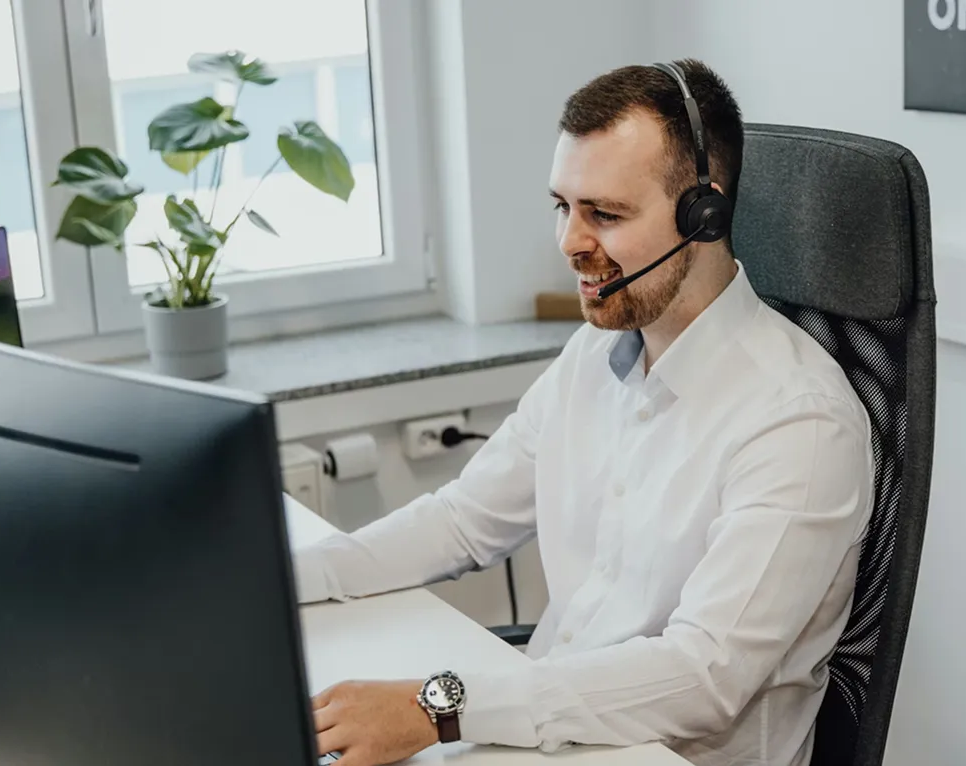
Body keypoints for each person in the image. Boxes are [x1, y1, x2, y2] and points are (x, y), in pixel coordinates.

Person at [293, 58, 875, 766]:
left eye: (605, 213)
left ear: (705, 213)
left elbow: (705, 675)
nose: (571, 241)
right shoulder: (591, 357)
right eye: (563, 206)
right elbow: (463, 519)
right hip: (553, 736)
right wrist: (287, 579)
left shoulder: (799, 422)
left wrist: (436, 706)